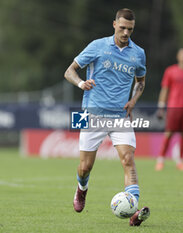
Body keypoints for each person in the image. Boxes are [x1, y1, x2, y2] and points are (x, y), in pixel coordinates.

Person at [64, 8, 150, 226]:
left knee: (128, 160)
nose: (125, 32)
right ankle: (82, 189)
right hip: (91, 114)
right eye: (122, 28)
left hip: (121, 116)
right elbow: (70, 71)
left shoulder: (138, 53)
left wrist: (133, 101)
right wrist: (81, 83)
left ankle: (133, 210)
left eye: (130, 29)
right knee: (85, 167)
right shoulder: (97, 46)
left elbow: (140, 81)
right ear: (114, 25)